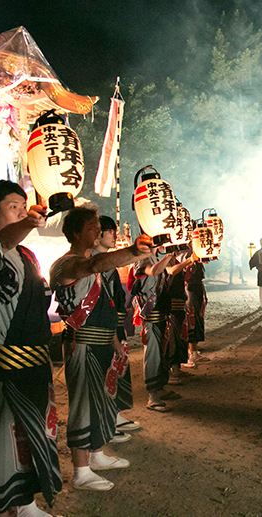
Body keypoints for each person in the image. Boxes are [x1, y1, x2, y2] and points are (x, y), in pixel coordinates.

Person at [0, 180, 62, 515]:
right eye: (13, 206)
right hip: (5, 365)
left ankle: (26, 501)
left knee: (35, 434)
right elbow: (4, 239)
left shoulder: (27, 255)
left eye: (24, 204)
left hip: (34, 360)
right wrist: (26, 223)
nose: (21, 210)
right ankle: (5, 506)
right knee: (6, 438)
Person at [49, 206, 152, 492]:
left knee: (101, 400)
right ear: (75, 233)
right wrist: (134, 251)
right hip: (82, 344)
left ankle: (96, 454)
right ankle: (81, 470)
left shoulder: (89, 263)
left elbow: (102, 307)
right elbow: (95, 267)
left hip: (101, 341)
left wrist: (115, 340)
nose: (98, 231)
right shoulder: (67, 264)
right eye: (92, 227)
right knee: (83, 404)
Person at [131, 249, 197, 407]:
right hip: (150, 310)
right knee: (153, 352)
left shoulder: (155, 257)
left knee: (163, 350)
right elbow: (153, 272)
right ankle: (152, 395)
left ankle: (160, 387)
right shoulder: (142, 259)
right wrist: (169, 257)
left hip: (160, 309)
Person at [94, 216, 140, 439]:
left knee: (119, 369)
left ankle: (116, 413)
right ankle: (107, 422)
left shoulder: (107, 262)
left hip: (115, 323)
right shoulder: (95, 263)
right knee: (108, 371)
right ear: (98, 234)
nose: (115, 235)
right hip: (104, 327)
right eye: (110, 231)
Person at [182, 256, 208, 367]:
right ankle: (191, 351)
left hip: (197, 286)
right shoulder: (182, 252)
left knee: (197, 317)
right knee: (191, 317)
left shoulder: (197, 251)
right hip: (189, 287)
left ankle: (194, 350)